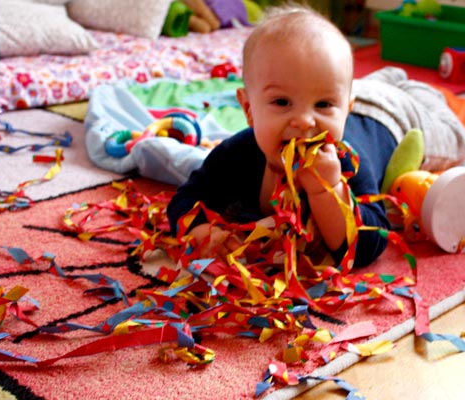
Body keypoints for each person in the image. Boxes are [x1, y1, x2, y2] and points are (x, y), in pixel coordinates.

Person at [167, 4, 398, 268]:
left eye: (323, 104)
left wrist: (329, 190)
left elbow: (370, 245)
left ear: (345, 111)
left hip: (385, 120)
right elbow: (184, 201)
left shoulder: (346, 162)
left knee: (433, 125)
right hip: (358, 98)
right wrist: (203, 234)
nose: (303, 121)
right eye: (281, 102)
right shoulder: (238, 153)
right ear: (249, 109)